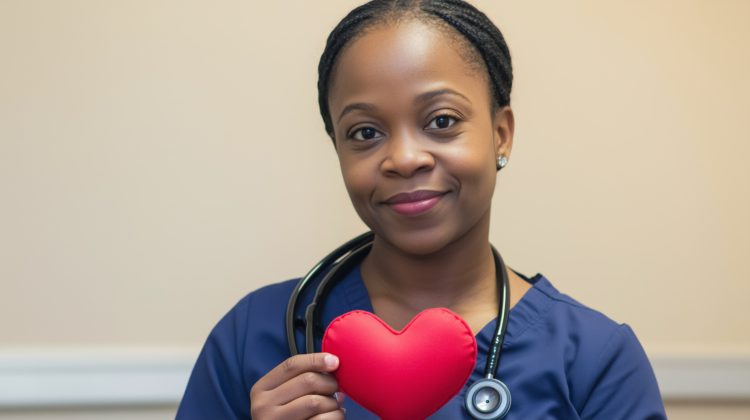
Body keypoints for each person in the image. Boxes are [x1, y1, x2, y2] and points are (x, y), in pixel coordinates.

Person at [176, 1, 666, 419]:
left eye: (442, 121)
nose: (405, 158)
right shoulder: (252, 337)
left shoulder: (598, 360)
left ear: (501, 134)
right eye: (365, 133)